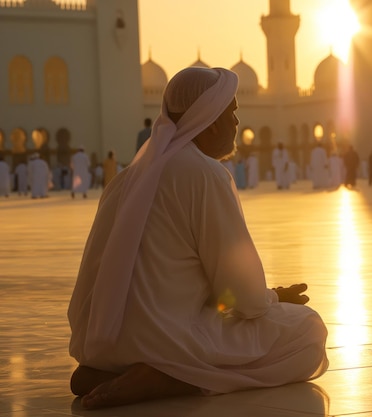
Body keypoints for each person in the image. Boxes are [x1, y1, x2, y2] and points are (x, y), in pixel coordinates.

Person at [67, 67, 328, 410]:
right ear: (212, 118)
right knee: (308, 333)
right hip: (166, 342)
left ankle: (113, 371)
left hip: (102, 343)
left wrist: (269, 295)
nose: (237, 123)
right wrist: (270, 299)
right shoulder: (205, 175)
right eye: (231, 112)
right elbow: (242, 297)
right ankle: (170, 377)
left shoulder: (128, 179)